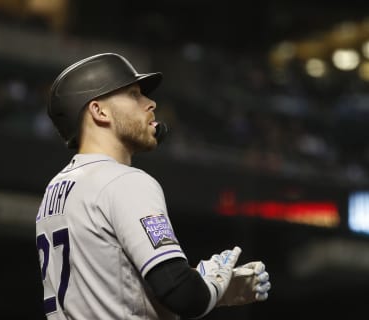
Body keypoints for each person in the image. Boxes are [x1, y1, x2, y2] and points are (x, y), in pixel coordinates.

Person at [35, 52, 271, 320]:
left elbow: (114, 287)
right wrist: (213, 283)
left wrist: (218, 291)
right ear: (99, 111)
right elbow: (181, 293)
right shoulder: (123, 181)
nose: (150, 103)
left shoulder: (55, 190)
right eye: (134, 94)